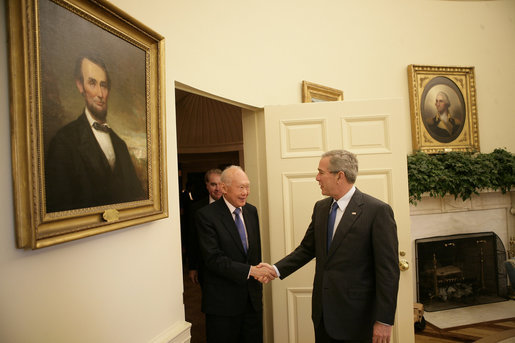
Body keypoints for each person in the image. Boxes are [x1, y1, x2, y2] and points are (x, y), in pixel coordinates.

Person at [260, 150, 400, 343]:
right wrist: (275, 269)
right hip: (323, 315)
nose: (317, 178)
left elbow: (388, 271)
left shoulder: (377, 211)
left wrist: (384, 320)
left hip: (357, 318)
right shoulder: (321, 208)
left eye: (321, 172)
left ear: (339, 175)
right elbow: (307, 249)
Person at [45, 53, 145, 212]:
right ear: (80, 86)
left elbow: (137, 197)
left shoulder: (120, 145)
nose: (100, 93)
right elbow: (58, 208)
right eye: (92, 83)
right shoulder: (64, 141)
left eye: (103, 85)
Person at [195, 165, 274, 343]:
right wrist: (251, 271)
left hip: (251, 303)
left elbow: (254, 254)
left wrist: (258, 273)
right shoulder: (206, 216)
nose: (246, 192)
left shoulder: (251, 211)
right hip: (223, 305)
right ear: (224, 188)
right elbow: (213, 259)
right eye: (241, 187)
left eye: (247, 187)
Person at [186, 168, 223, 284]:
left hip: (230, 266)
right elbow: (192, 239)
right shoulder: (196, 209)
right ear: (207, 185)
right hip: (205, 268)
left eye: (220, 184)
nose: (217, 189)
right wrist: (192, 267)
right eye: (213, 184)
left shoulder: (234, 206)